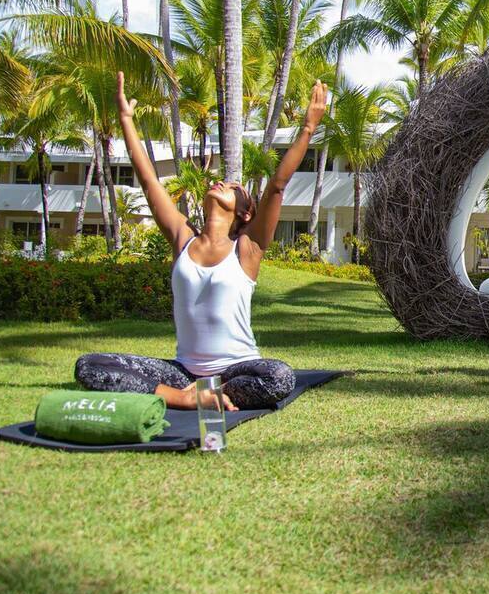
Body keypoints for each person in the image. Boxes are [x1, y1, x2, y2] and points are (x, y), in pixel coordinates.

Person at [74, 73, 329, 411]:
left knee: (280, 376)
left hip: (236, 369)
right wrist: (125, 121)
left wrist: (309, 128)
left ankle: (208, 393)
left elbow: (277, 186)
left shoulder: (247, 249)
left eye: (232, 186)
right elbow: (150, 182)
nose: (222, 182)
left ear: (246, 213)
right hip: (183, 374)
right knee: (90, 366)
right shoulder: (183, 239)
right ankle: (186, 398)